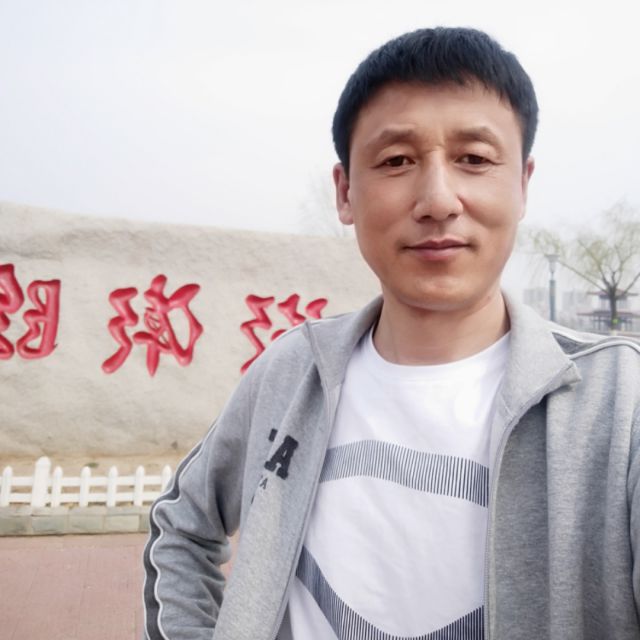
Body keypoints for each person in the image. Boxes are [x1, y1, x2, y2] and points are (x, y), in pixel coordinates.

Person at [142, 27, 640, 640]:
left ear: (522, 185)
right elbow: (182, 526)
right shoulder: (293, 371)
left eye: (474, 159)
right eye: (397, 161)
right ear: (345, 192)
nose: (437, 200)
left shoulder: (619, 402)